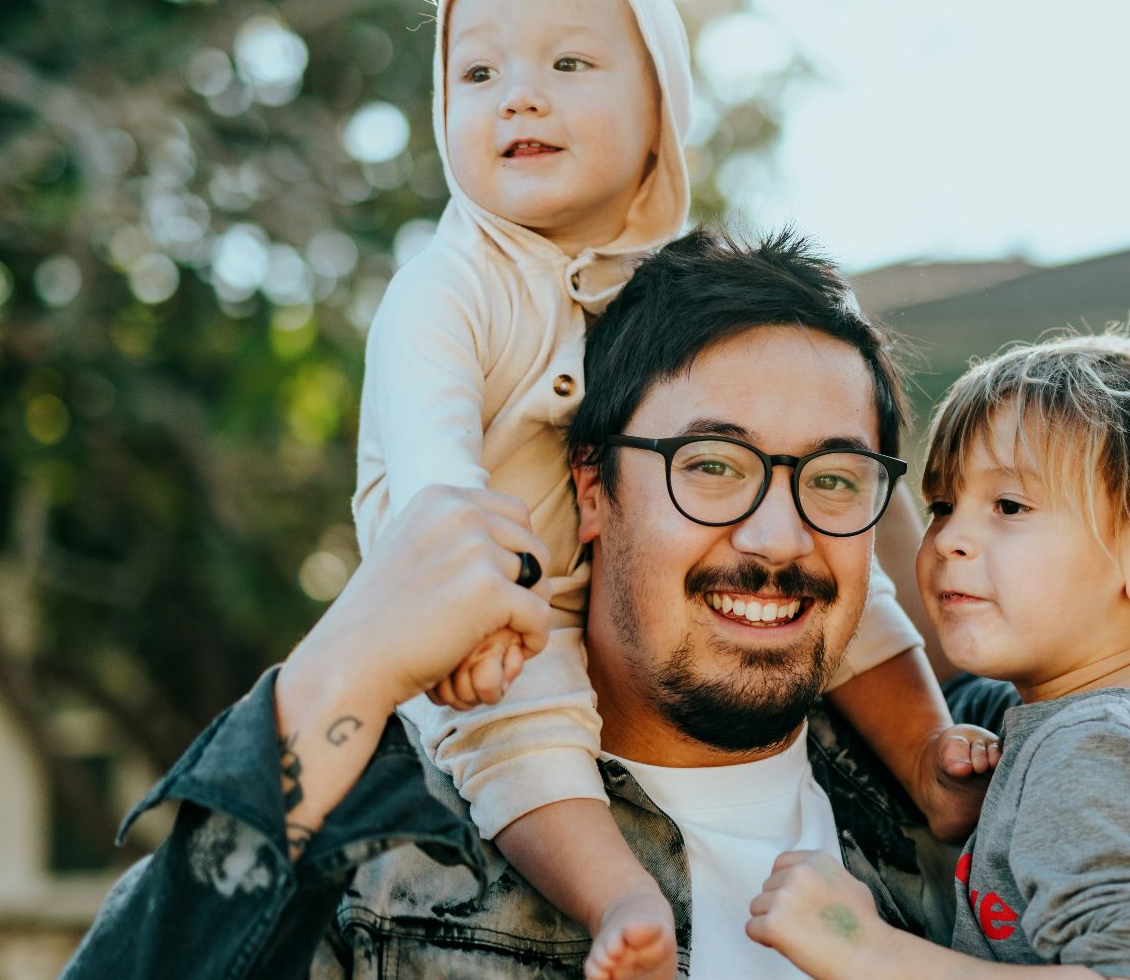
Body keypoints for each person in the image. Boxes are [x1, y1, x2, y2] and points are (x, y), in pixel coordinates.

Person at [61, 230, 974, 979]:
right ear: (593, 493)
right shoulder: (394, 875)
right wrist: (344, 665)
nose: (778, 538)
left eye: (833, 478)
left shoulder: (1003, 803)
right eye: (710, 467)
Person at [353, 0, 989, 980]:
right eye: (478, 72)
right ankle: (620, 901)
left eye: (568, 64)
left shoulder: (675, 293)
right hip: (490, 610)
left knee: (853, 584)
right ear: (596, 482)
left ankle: (926, 756)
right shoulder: (449, 284)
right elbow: (433, 473)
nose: (519, 95)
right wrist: (468, 606)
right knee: (523, 730)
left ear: (661, 115)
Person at [748, 331, 1130, 980]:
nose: (950, 537)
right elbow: (941, 677)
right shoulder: (1056, 725)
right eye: (942, 506)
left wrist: (865, 950)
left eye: (1009, 505)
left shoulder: (1092, 753)